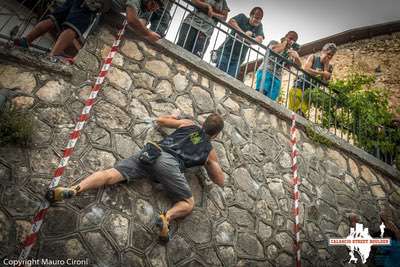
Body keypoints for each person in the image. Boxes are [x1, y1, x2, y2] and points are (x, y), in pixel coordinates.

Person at [45, 113, 225, 242]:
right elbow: (219, 180)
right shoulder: (209, 151)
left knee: (111, 174)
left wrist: (175, 115)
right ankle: (166, 218)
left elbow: (160, 120)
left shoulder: (188, 125)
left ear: (203, 124)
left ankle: (75, 189)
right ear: (216, 134)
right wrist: (210, 163)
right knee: (188, 203)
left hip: (152, 153)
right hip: (169, 166)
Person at [13, 0, 112, 61]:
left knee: (55, 18)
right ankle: (54, 54)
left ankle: (25, 40)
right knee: (73, 27)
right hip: (91, 3)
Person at [288, 42, 337, 115]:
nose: (329, 57)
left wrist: (326, 67)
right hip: (299, 86)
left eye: (331, 56)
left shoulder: (330, 67)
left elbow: (324, 82)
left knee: (300, 114)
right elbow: (306, 69)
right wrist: (322, 73)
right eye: (328, 54)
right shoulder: (313, 57)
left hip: (310, 93)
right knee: (291, 113)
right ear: (323, 51)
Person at [215, 7, 264, 78]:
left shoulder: (259, 26)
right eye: (256, 17)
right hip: (226, 52)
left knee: (230, 80)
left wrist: (243, 38)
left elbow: (259, 40)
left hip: (238, 59)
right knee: (218, 75)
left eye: (260, 19)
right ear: (251, 15)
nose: (258, 20)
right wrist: (244, 34)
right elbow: (231, 22)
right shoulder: (242, 17)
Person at [255, 31, 301, 101]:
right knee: (261, 93)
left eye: (294, 41)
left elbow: (299, 67)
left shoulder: (289, 53)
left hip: (277, 77)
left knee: (271, 100)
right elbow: (276, 51)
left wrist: (296, 57)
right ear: (286, 36)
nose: (291, 42)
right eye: (290, 38)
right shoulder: (274, 43)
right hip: (266, 71)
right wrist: (285, 42)